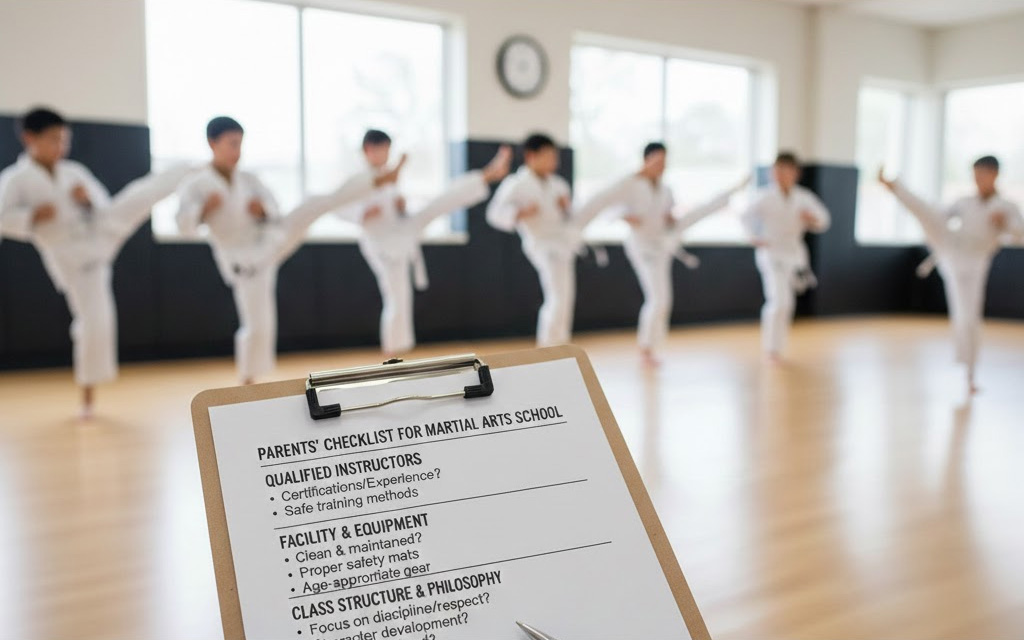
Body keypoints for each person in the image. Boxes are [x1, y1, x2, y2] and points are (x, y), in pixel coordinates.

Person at [176, 117, 405, 384]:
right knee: (257, 323)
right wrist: (204, 210)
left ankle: (375, 181)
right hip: (243, 259)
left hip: (271, 239)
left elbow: (274, 207)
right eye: (232, 144)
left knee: (313, 204)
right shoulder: (196, 185)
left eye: (240, 144)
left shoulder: (249, 179)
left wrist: (263, 210)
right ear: (212, 143)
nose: (237, 151)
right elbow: (184, 226)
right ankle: (248, 379)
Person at [0, 107, 193, 417]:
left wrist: (86, 200)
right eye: (53, 139)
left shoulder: (74, 172)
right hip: (73, 258)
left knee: (136, 197)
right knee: (94, 321)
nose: (60, 146)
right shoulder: (15, 179)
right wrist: (32, 216)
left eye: (64, 140)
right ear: (29, 138)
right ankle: (87, 398)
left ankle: (189, 170)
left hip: (100, 232)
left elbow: (103, 204)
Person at [576, 142, 749, 365]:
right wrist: (625, 216)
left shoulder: (666, 190)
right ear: (646, 161)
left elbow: (669, 213)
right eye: (657, 161)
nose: (661, 166)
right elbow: (606, 205)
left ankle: (651, 346)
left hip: (661, 244)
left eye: (664, 161)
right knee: (657, 298)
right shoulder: (630, 184)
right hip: (642, 246)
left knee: (663, 299)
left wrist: (670, 218)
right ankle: (646, 348)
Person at [343, 130, 512, 355]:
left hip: (400, 232)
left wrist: (400, 205)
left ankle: (486, 175)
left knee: (437, 204)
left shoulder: (386, 177)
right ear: (369, 149)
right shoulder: (358, 177)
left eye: (388, 151)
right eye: (383, 150)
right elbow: (339, 206)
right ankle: (394, 349)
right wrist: (362, 213)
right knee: (395, 295)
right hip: (381, 243)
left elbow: (394, 203)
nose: (387, 155)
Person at [878, 156, 1024, 394]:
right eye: (975, 175)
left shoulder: (1006, 207)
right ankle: (895, 186)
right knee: (928, 213)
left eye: (982, 175)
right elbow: (937, 215)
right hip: (951, 249)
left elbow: (1020, 234)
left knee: (968, 316)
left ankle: (970, 373)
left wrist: (1006, 223)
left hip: (975, 261)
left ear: (994, 174)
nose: (978, 180)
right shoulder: (965, 202)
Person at [486, 133, 582, 347]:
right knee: (556, 295)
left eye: (555, 157)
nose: (553, 162)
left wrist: (567, 207)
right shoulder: (516, 183)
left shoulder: (559, 184)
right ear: (531, 156)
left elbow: (573, 217)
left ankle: (561, 344)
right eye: (548, 156)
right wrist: (520, 213)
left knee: (565, 296)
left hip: (562, 243)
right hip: (540, 243)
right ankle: (548, 345)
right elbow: (494, 213)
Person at [741, 151, 830, 361]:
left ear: (795, 173)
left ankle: (777, 347)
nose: (780, 175)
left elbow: (824, 220)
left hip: (794, 255)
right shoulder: (764, 196)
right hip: (771, 253)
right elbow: (745, 217)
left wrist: (813, 219)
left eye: (785, 170)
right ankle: (771, 349)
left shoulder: (803, 197)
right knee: (779, 301)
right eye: (777, 171)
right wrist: (754, 236)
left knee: (787, 303)